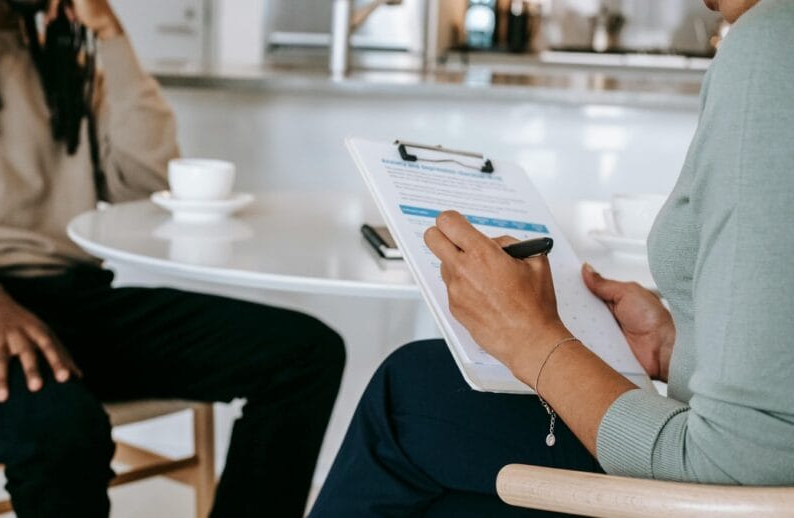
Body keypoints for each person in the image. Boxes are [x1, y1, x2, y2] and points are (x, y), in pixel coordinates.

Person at [310, 0, 794, 515]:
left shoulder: (773, 41)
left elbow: (736, 471)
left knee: (412, 394)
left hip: (714, 497)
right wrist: (677, 350)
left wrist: (531, 340)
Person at [0, 1, 345, 516]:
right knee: (63, 432)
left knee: (304, 355)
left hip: (71, 295)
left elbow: (145, 184)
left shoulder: (59, 52)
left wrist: (114, 40)